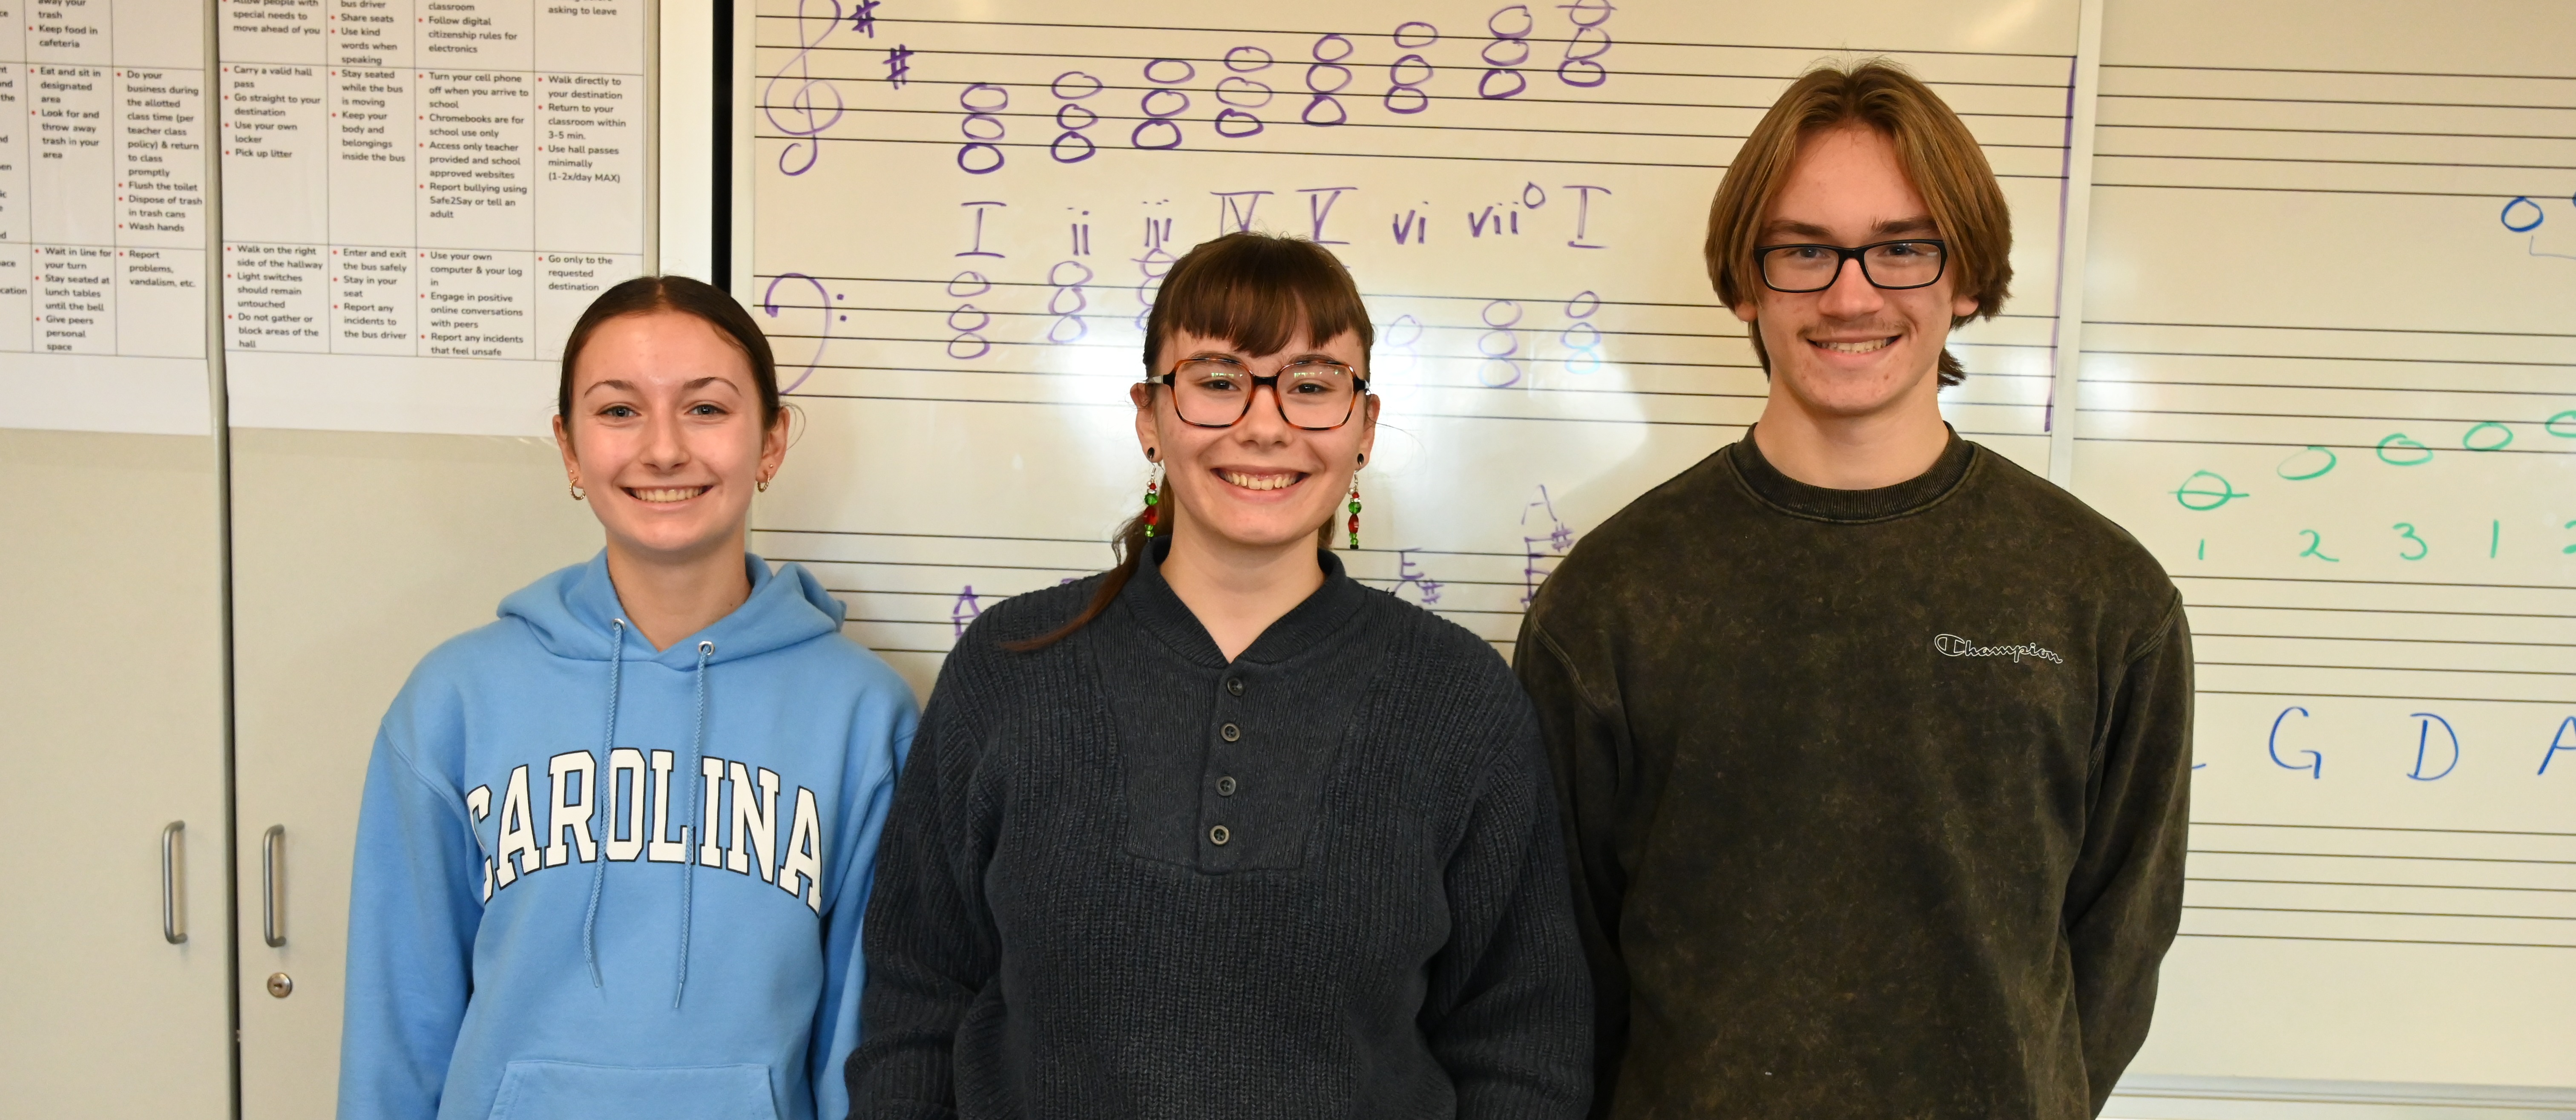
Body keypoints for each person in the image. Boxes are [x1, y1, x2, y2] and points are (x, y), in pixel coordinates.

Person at [1515, 62, 2193, 1119]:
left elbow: (2119, 945)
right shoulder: (1609, 602)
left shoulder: (2104, 597)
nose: (1851, 295)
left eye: (1903, 247)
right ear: (1746, 283)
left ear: (1966, 278)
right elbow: (1564, 961)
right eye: (1803, 250)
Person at [849, 232, 1592, 1119]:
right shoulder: (1010, 667)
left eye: (1311, 385)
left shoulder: (1461, 700)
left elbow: (1523, 1042)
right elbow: (917, 1000)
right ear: (1149, 415)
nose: (1266, 425)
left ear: (1364, 426)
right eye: (1217, 380)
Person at [337, 276, 918, 1120]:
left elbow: (861, 1044)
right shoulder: (455, 700)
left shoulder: (864, 714)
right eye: (619, 410)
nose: (664, 449)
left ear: (771, 442)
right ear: (570, 449)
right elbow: (398, 1025)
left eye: (706, 409)